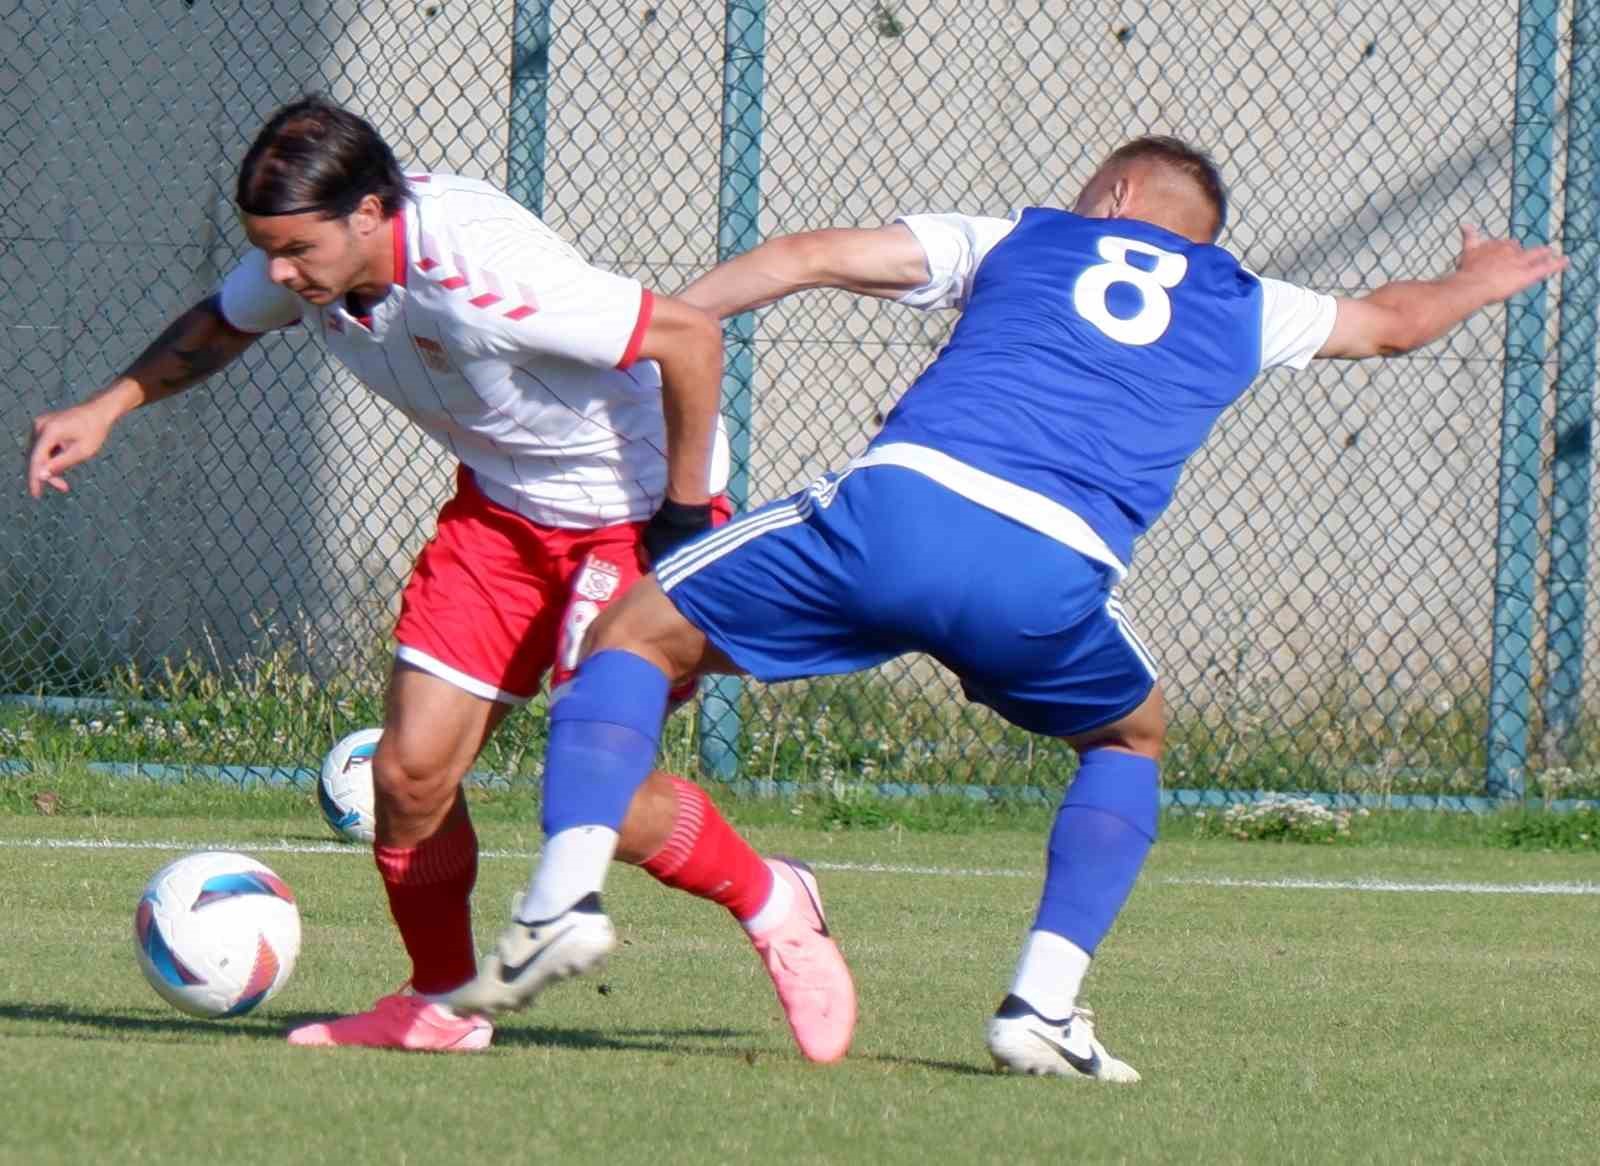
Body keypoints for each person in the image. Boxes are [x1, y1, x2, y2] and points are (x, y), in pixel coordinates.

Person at [446, 135, 1566, 1078]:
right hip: (1049, 577)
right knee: (1129, 733)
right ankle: (1041, 1005)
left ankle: (563, 892)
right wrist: (1475, 280)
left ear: (1117, 198)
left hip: (900, 518)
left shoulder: (1020, 235)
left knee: (631, 630)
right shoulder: (1244, 302)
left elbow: (805, 257)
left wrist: (650, 333)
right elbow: (1391, 323)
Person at [23, 96, 854, 1061]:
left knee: (598, 796)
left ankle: (774, 898)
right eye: (267, 251)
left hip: (632, 518)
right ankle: (442, 1003)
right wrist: (109, 405)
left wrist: (677, 517)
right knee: (408, 776)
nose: (279, 274)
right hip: (502, 517)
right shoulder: (311, 269)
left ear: (369, 214)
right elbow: (221, 320)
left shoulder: (483, 273)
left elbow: (689, 338)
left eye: (294, 250)